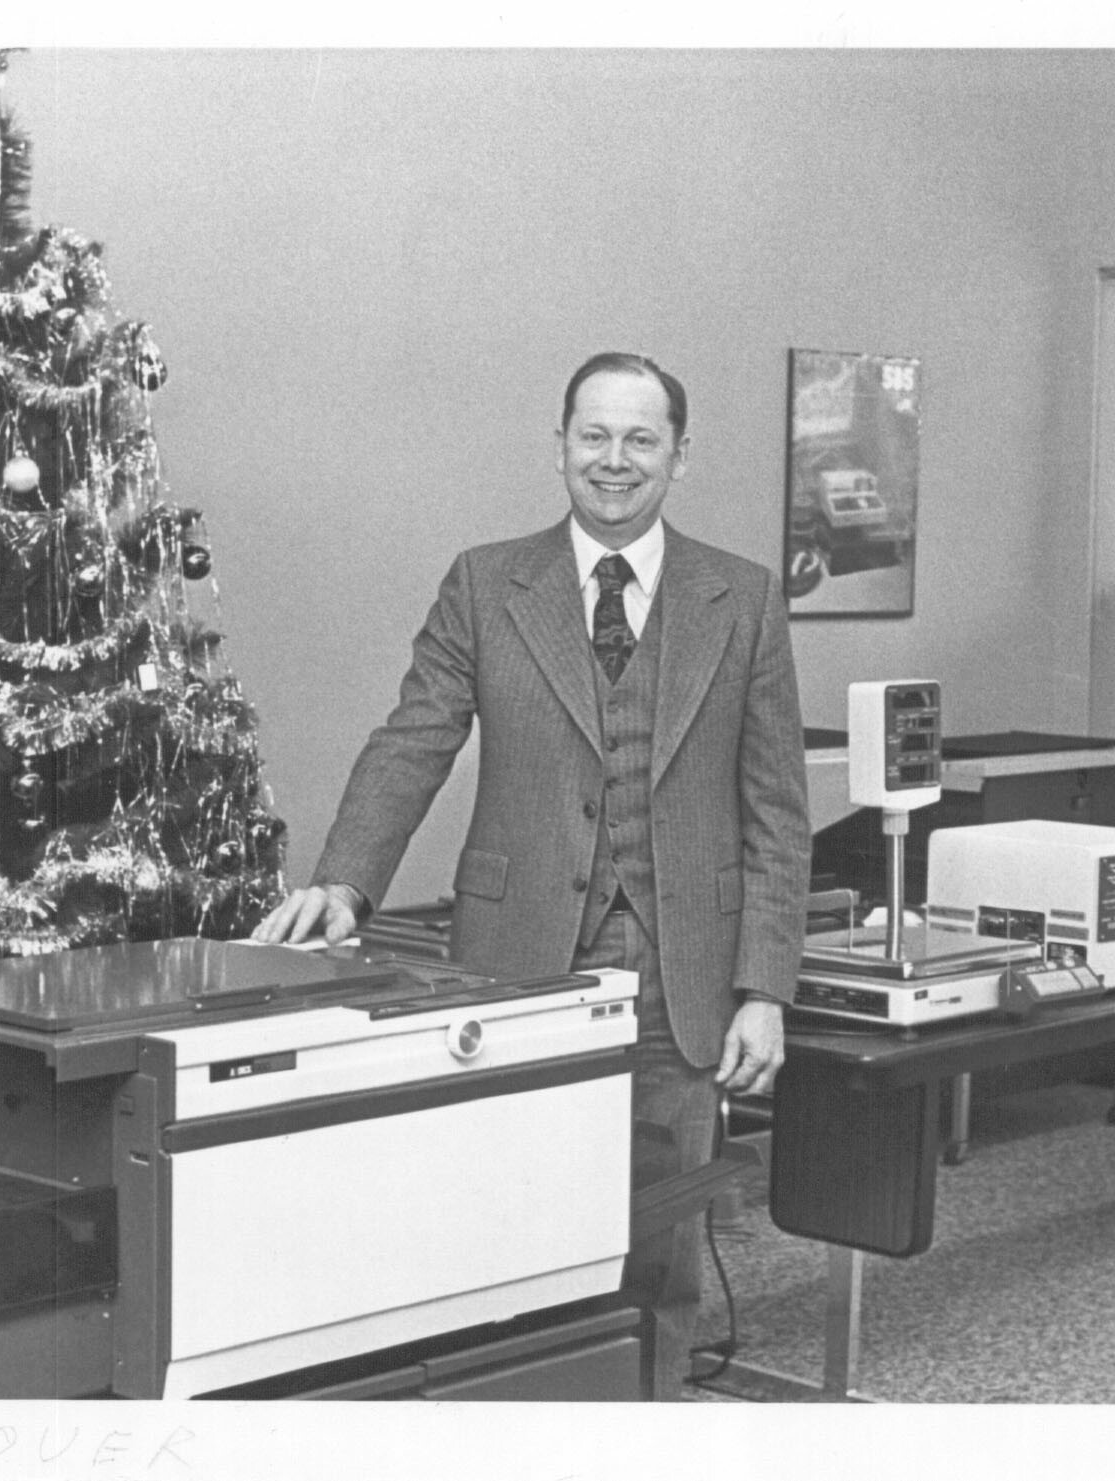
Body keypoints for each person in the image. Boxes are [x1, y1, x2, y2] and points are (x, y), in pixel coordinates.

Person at [255, 351, 811, 1399]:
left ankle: (644, 1421)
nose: (614, 459)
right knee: (502, 1223)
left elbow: (777, 810)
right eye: (594, 435)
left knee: (661, 1242)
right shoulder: (486, 582)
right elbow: (415, 737)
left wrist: (764, 987)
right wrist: (344, 880)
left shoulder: (742, 597)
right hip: (516, 967)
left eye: (641, 438)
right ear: (558, 445)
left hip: (680, 975)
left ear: (680, 457)